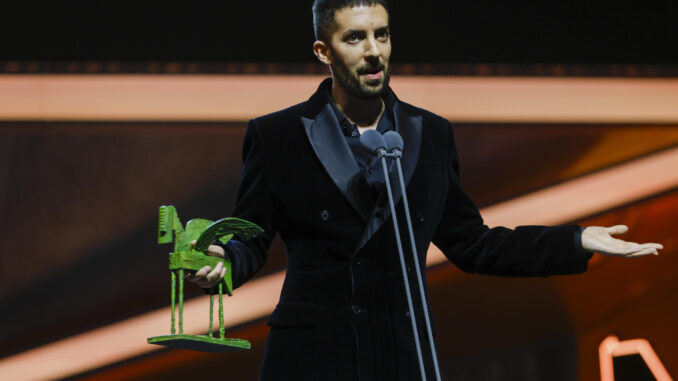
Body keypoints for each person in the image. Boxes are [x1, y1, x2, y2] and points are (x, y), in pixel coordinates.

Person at [186, 1, 664, 379]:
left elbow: (472, 243)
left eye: (382, 34)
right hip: (313, 356)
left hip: (403, 352)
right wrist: (223, 264)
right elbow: (249, 237)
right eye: (355, 37)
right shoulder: (278, 136)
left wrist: (574, 240)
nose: (374, 50)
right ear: (323, 52)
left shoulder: (428, 133)